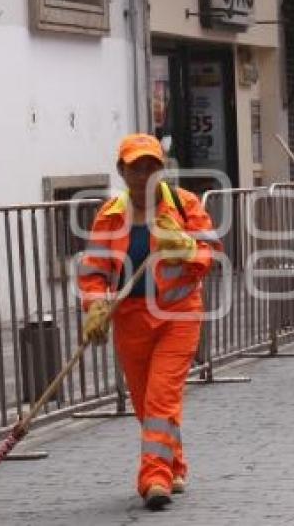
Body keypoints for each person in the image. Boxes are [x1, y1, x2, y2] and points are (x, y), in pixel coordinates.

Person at [79, 134, 221, 510]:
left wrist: (187, 248)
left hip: (178, 315)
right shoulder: (110, 215)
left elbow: (212, 253)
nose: (143, 174)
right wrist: (95, 306)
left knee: (161, 396)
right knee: (146, 404)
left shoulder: (185, 205)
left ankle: (154, 478)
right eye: (135, 167)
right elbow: (93, 272)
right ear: (121, 171)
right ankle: (174, 465)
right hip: (130, 319)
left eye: (151, 167)